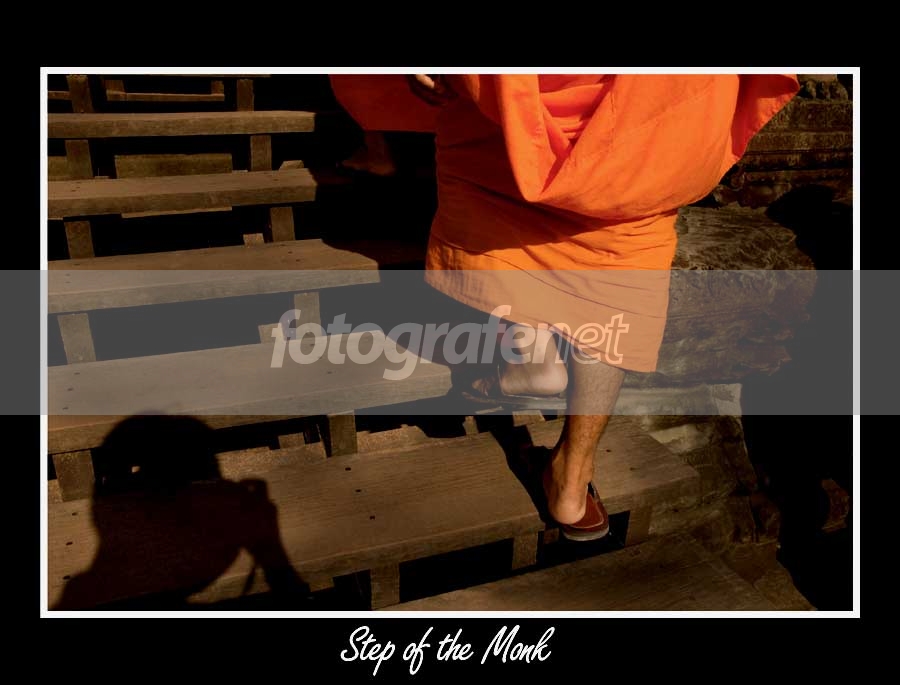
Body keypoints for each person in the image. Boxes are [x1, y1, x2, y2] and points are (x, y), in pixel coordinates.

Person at [330, 73, 799, 540]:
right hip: (641, 133)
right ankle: (572, 483)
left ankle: (531, 353)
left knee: (506, 182)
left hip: (515, 113)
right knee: (619, 261)